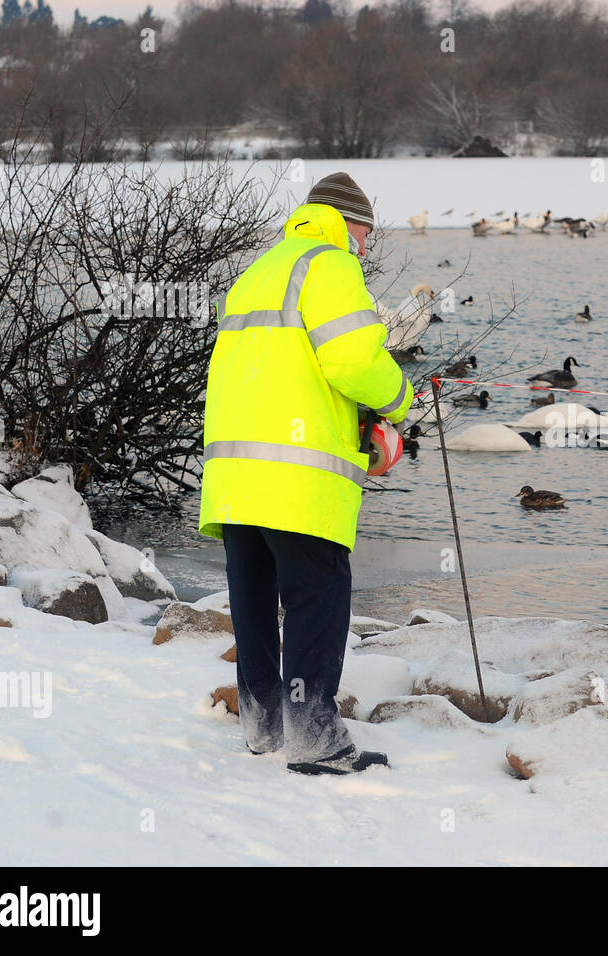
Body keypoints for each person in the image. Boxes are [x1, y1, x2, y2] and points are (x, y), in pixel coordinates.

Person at [198, 172, 413, 775]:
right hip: (299, 481)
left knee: (254, 602)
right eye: (365, 235)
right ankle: (316, 739)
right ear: (345, 224)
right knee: (317, 599)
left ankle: (263, 727)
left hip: (237, 479)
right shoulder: (331, 266)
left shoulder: (259, 271)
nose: (366, 249)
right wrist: (399, 398)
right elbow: (351, 359)